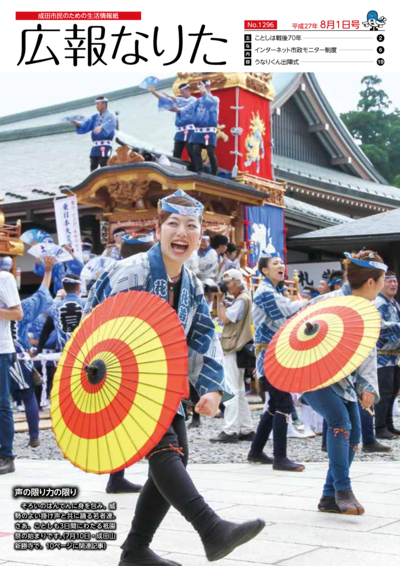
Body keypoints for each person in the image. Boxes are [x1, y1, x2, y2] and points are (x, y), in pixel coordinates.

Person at [85, 189, 265, 566]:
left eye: (191, 226)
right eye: (173, 224)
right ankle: (210, 527)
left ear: (200, 235)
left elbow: (203, 335)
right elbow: (102, 329)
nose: (181, 232)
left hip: (164, 382)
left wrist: (213, 388)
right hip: (121, 378)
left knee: (174, 457)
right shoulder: (130, 271)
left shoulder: (192, 284)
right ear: (157, 229)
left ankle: (135, 551)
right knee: (166, 450)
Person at [302, 250, 385, 515]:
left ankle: (328, 497)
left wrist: (367, 386)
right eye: (383, 279)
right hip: (313, 373)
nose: (384, 285)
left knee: (355, 434)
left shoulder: (369, 310)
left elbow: (367, 352)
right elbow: (298, 334)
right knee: (340, 422)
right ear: (371, 282)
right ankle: (343, 490)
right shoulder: (325, 302)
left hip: (345, 379)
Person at [248, 249, 307, 471]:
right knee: (283, 402)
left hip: (274, 354)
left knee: (274, 404)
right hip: (269, 356)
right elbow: (283, 312)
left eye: (282, 262)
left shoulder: (273, 290)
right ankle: (280, 458)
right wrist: (303, 304)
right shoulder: (264, 291)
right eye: (275, 263)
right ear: (264, 270)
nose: (281, 266)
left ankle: (255, 451)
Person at [10, 257, 54, 449]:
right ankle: (34, 436)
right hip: (18, 355)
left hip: (9, 355)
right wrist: (48, 271)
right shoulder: (21, 306)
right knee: (28, 394)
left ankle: (6, 444)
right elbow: (42, 294)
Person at [211, 269, 254, 443]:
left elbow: (225, 319)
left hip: (234, 347)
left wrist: (220, 300)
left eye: (228, 283)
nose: (226, 286)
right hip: (239, 346)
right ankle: (246, 428)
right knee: (240, 390)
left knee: (231, 388)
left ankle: (230, 430)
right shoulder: (244, 297)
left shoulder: (241, 300)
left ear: (237, 282)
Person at [0, 258, 23, 475]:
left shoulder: (4, 277)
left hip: (1, 349)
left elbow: (17, 314)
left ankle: (6, 455)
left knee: (1, 404)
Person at [373, 271, 400, 440]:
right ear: (381, 284)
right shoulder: (378, 302)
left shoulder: (394, 304)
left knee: (392, 392)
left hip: (395, 355)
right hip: (382, 355)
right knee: (383, 392)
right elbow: (379, 325)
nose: (393, 285)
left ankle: (389, 424)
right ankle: (380, 426)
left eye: (395, 281)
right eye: (389, 281)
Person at [150, 83, 196, 160]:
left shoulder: (194, 100)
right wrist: (155, 93)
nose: (181, 94)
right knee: (176, 154)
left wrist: (177, 108)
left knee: (192, 153)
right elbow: (167, 101)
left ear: (189, 90)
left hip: (190, 131)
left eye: (183, 92)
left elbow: (186, 108)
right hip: (179, 132)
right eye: (180, 93)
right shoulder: (179, 101)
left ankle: (198, 170)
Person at [71, 96, 117, 172]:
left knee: (103, 163)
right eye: (96, 104)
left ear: (104, 104)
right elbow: (86, 125)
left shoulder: (111, 115)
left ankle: (107, 181)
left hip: (105, 145)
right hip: (95, 147)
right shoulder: (94, 117)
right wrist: (78, 124)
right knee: (93, 166)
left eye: (98, 104)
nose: (97, 106)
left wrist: (101, 127)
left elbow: (112, 123)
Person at [185, 79, 219, 175]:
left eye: (206, 87)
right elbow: (189, 109)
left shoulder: (215, 99)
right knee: (195, 149)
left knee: (210, 151)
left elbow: (210, 102)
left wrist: (203, 91)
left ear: (209, 87)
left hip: (209, 130)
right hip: (198, 130)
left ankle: (214, 171)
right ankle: (199, 169)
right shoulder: (197, 101)